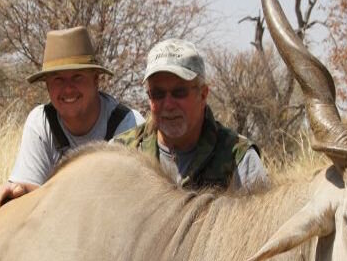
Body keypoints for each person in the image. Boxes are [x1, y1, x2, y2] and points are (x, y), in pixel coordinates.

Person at [0, 26, 143, 217]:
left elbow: (130, 202)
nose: (68, 89)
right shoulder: (41, 122)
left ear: (96, 80)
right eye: (58, 79)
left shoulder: (128, 124)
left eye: (77, 77)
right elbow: (30, 189)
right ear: (47, 86)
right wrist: (17, 190)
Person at [114, 39, 269, 192]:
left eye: (179, 92)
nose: (168, 105)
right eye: (158, 94)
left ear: (203, 95)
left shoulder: (239, 159)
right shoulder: (121, 153)